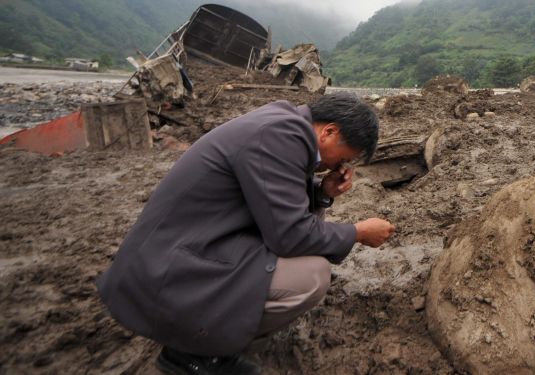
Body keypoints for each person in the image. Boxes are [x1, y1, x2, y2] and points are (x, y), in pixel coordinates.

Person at [97, 93, 395, 374]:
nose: (340, 165)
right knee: (310, 277)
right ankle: (193, 351)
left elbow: (278, 212)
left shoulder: (285, 127)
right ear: (328, 132)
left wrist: (323, 193)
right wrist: (356, 233)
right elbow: (291, 236)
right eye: (344, 157)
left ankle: (201, 329)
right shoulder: (281, 137)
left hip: (185, 247)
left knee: (301, 263)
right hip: (164, 270)